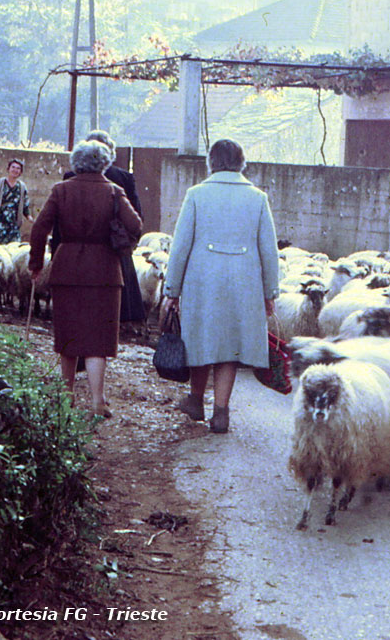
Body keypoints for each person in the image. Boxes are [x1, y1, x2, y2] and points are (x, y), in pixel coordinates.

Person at [160, 139, 279, 433]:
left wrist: (171, 290)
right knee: (230, 347)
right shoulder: (258, 198)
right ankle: (221, 412)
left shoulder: (196, 195)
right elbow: (269, 251)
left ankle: (196, 400)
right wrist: (269, 293)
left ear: (211, 162)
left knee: (201, 338)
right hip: (245, 283)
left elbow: (180, 246)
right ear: (242, 162)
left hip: (202, 282)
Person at [28, 140, 142, 418]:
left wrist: (35, 264)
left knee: (68, 334)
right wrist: (123, 245)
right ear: (104, 163)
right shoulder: (115, 192)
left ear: (75, 163)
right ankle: (97, 401)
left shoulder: (61, 190)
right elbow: (136, 226)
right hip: (105, 271)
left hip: (66, 268)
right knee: (99, 339)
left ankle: (66, 398)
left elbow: (39, 228)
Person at [61, 129, 146, 325]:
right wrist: (128, 241)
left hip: (76, 248)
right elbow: (136, 217)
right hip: (114, 245)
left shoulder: (69, 177)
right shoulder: (123, 178)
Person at [0, 159, 31, 244]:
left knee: (14, 248)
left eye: (18, 168)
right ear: (8, 169)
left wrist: (29, 217)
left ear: (20, 172)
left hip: (14, 225)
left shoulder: (22, 187)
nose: (15, 170)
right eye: (13, 167)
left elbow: (25, 205)